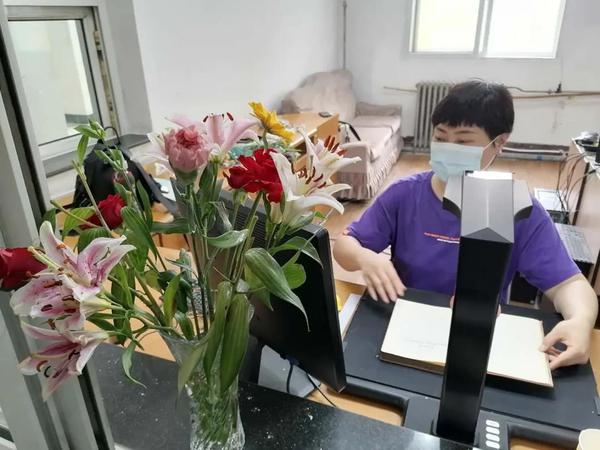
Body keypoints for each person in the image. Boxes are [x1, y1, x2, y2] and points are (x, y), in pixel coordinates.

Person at [334, 80, 598, 370]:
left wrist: (581, 321)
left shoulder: (515, 208)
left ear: (499, 143)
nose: (449, 148)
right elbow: (345, 245)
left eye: (463, 142)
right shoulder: (404, 194)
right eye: (440, 137)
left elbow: (569, 284)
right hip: (403, 326)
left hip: (475, 335)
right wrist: (365, 258)